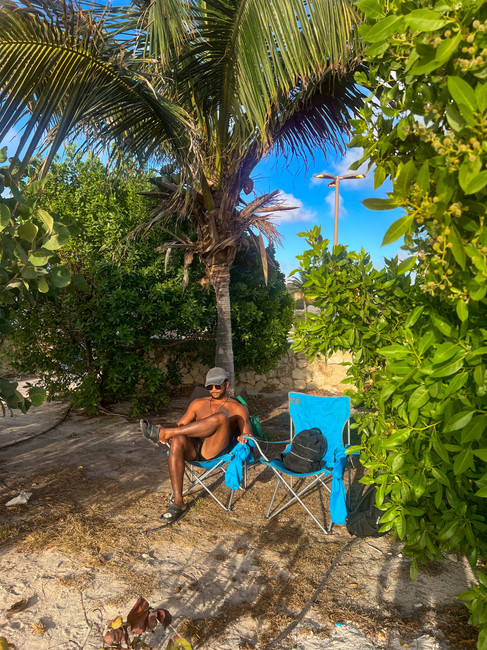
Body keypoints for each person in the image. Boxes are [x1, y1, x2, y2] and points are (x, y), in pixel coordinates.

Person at [140, 367, 252, 526]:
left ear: (226, 384)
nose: (213, 390)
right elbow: (180, 424)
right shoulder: (198, 404)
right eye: (209, 387)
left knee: (220, 417)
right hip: (193, 448)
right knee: (177, 439)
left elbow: (248, 434)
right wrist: (165, 426)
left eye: (218, 386)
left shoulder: (238, 408)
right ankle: (178, 502)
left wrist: (244, 437)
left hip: (214, 452)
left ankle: (165, 434)